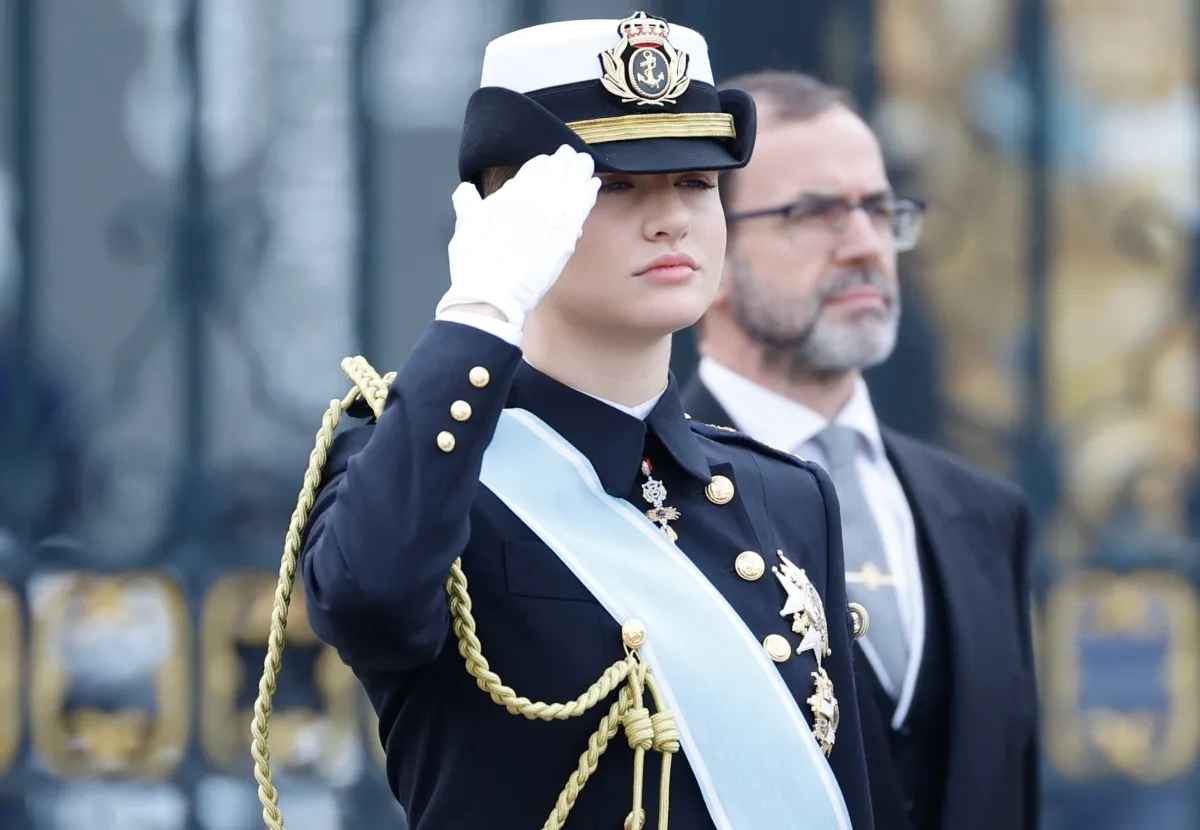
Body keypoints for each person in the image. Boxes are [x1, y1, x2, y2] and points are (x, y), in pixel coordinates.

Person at [299, 15, 874, 830]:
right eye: (615, 186)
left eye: (696, 183)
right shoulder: (429, 472)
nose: (671, 218)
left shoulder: (787, 494)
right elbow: (369, 602)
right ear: (514, 217)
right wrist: (482, 306)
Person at [681, 70, 1040, 830]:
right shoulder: (638, 494)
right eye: (813, 213)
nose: (866, 245)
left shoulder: (985, 514)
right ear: (705, 248)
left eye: (880, 209)